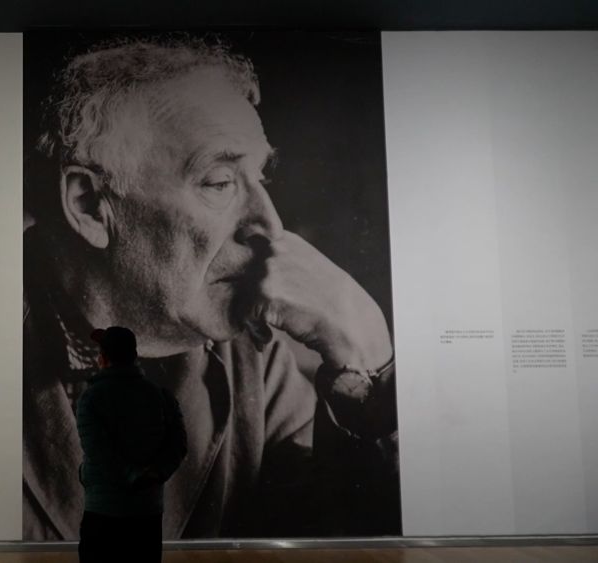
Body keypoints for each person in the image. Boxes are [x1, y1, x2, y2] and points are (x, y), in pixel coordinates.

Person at [23, 35, 400, 540]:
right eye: (220, 182)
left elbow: (350, 542)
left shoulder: (253, 357)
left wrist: (367, 360)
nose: (270, 225)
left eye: (259, 177)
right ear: (90, 205)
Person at [77, 326, 187, 563]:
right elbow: (178, 445)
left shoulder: (91, 398)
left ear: (102, 358)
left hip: (104, 509)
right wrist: (155, 474)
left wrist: (130, 475)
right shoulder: (160, 395)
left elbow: (98, 451)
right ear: (135, 356)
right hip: (147, 509)